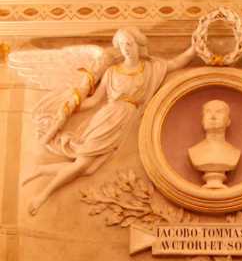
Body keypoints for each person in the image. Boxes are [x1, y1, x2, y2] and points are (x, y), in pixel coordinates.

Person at [23, 27, 195, 215]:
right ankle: (43, 195)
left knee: (88, 170)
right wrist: (70, 107)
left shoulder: (150, 68)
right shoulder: (112, 72)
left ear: (138, 46)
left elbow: (177, 63)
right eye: (122, 45)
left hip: (125, 122)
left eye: (129, 44)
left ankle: (41, 170)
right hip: (108, 118)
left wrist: (194, 47)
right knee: (81, 164)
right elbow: (95, 100)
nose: (126, 48)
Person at [188, 99, 241, 188]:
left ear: (228, 121)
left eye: (219, 112)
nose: (213, 116)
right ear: (202, 121)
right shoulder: (194, 152)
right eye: (208, 112)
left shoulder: (234, 153)